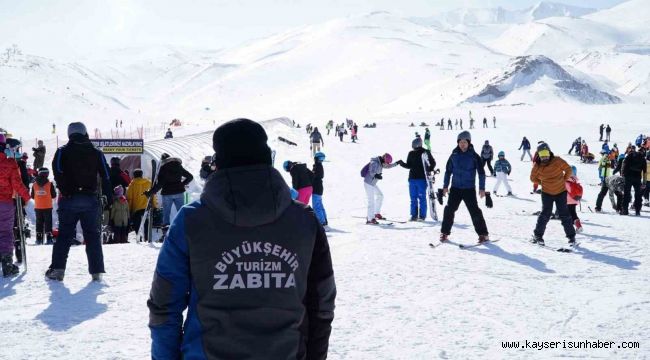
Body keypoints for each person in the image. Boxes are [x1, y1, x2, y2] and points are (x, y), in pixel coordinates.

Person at [147, 118, 336, 359]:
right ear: (268, 159)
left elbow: (164, 305)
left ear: (218, 164)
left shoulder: (191, 221)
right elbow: (321, 304)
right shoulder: (304, 220)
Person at [46, 122, 112, 282]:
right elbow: (106, 175)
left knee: (64, 235)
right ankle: (96, 272)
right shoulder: (96, 152)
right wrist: (107, 197)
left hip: (69, 199)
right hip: (90, 199)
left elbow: (57, 171)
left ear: (70, 134)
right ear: (85, 132)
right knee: (93, 235)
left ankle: (58, 270)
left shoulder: (62, 151)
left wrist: (66, 190)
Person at [440, 131, 489, 242]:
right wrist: (445, 186)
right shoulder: (454, 155)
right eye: (460, 142)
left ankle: (483, 234)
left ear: (469, 143)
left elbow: (481, 173)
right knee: (449, 210)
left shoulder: (474, 156)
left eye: (464, 142)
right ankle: (444, 233)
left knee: (474, 211)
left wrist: (482, 188)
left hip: (469, 189)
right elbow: (448, 171)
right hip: (455, 188)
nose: (462, 144)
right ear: (458, 143)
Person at [529, 143, 576, 246]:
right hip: (547, 194)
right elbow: (532, 178)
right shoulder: (537, 165)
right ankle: (538, 236)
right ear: (538, 155)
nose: (544, 156)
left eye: (546, 153)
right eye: (542, 154)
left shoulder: (557, 160)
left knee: (564, 215)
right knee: (545, 214)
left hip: (561, 192)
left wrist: (564, 179)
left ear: (549, 152)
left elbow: (568, 169)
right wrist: (542, 182)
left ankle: (571, 237)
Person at [0, 134, 30, 277]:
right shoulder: (10, 163)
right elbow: (17, 184)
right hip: (5, 203)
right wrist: (27, 198)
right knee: (6, 233)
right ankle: (6, 263)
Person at [145, 153, 194, 227]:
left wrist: (150, 192)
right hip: (179, 192)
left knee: (166, 214)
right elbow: (190, 177)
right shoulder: (178, 166)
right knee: (181, 212)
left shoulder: (163, 168)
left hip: (167, 193)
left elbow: (160, 184)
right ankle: (183, 228)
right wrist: (182, 184)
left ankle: (166, 231)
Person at [398, 137, 435, 221]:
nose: (413, 147)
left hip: (422, 179)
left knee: (421, 197)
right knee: (413, 198)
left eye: (414, 145)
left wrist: (430, 170)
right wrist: (402, 163)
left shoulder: (425, 152)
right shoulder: (411, 153)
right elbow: (409, 165)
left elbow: (433, 163)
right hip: (412, 179)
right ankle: (413, 215)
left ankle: (422, 216)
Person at [363, 153, 399, 224]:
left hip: (372, 183)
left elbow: (387, 166)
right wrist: (376, 175)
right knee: (371, 201)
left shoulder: (380, 163)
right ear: (384, 159)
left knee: (380, 196)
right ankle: (370, 219)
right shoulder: (374, 162)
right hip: (368, 183)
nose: (386, 164)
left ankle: (376, 213)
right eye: (386, 162)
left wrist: (396, 163)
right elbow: (371, 171)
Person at [126, 169, 158, 241]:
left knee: (137, 225)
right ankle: (147, 238)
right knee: (146, 224)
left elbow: (130, 198)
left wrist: (130, 210)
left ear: (134, 175)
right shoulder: (149, 183)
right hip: (147, 207)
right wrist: (155, 206)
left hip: (136, 209)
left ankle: (139, 238)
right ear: (142, 174)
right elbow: (153, 195)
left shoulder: (132, 185)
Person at [31, 167, 56, 245]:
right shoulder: (50, 184)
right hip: (47, 206)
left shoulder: (34, 184)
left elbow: (32, 196)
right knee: (48, 222)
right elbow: (54, 195)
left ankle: (39, 239)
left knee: (39, 222)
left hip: (38, 206)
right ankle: (49, 239)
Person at [620, 146, 647, 216]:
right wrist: (644, 182)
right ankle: (637, 210)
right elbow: (645, 172)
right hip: (637, 178)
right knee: (638, 195)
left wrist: (623, 176)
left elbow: (624, 167)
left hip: (628, 177)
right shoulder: (643, 159)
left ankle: (625, 210)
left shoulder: (629, 156)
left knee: (626, 194)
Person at [312, 152, 328, 228]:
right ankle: (324, 220)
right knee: (320, 205)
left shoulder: (317, 166)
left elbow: (314, 176)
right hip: (319, 187)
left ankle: (322, 222)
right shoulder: (319, 166)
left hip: (316, 188)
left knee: (316, 206)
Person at [566, 166, 583, 233]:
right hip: (574, 199)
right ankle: (576, 225)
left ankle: (576, 226)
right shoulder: (575, 180)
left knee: (570, 214)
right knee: (572, 212)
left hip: (568, 200)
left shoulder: (566, 181)